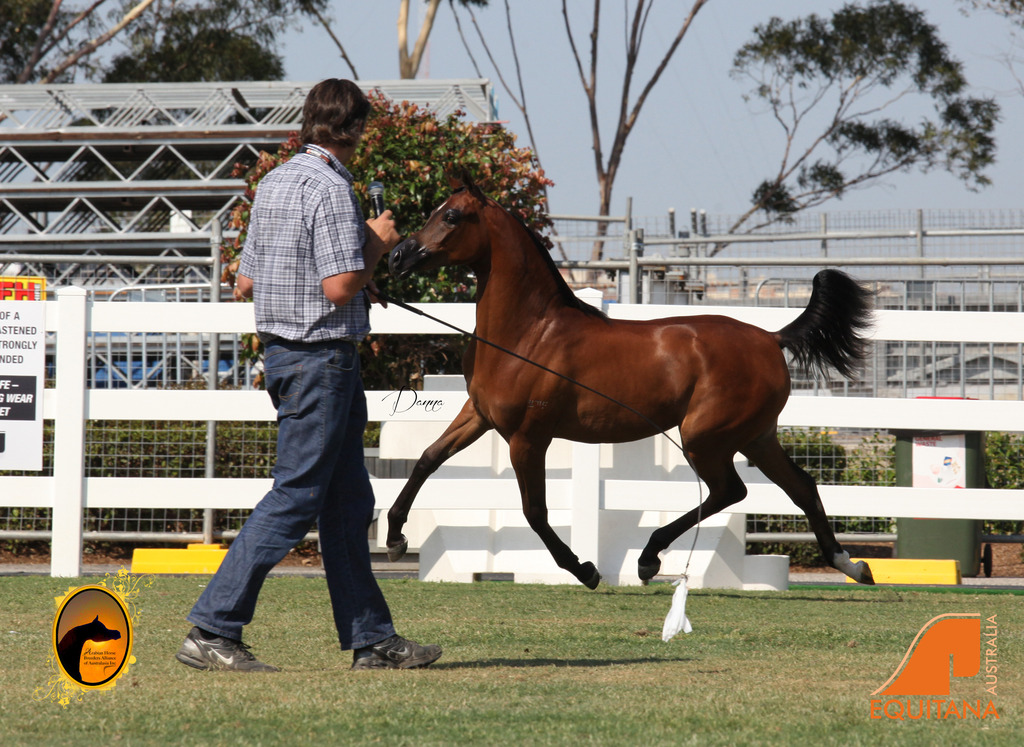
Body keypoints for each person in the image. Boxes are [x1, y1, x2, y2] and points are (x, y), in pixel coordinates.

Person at [176, 79, 441, 672]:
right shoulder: (332, 187)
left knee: (348, 503)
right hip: (322, 359)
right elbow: (339, 286)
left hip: (288, 356)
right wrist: (376, 244)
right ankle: (212, 628)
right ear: (354, 128)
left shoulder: (272, 182)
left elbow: (244, 282)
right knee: (297, 497)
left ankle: (371, 640)